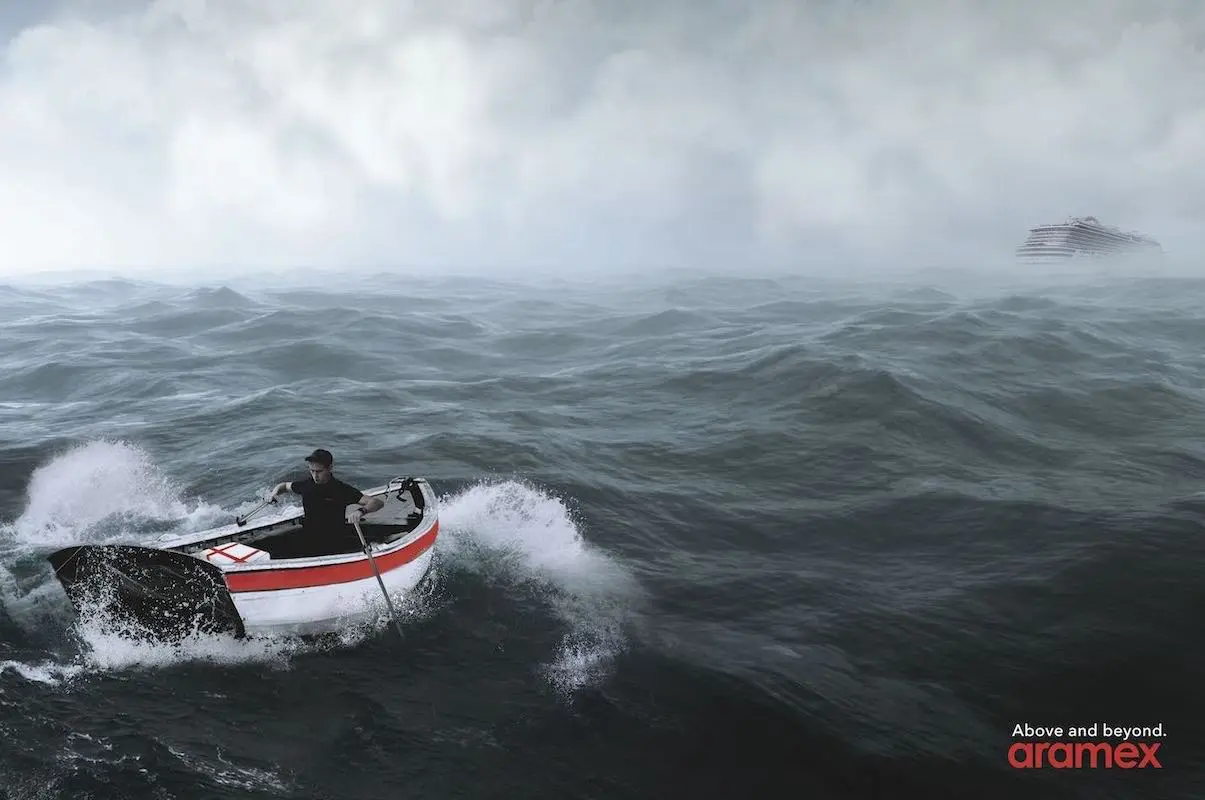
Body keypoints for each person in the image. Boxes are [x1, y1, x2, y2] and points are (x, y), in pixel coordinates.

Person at [268, 448, 384, 533]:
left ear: (329, 468)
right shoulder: (306, 485)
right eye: (312, 471)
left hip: (334, 538)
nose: (315, 475)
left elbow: (377, 502)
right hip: (309, 535)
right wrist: (273, 493)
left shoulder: (341, 489)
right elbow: (283, 486)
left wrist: (361, 511)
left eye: (318, 471)